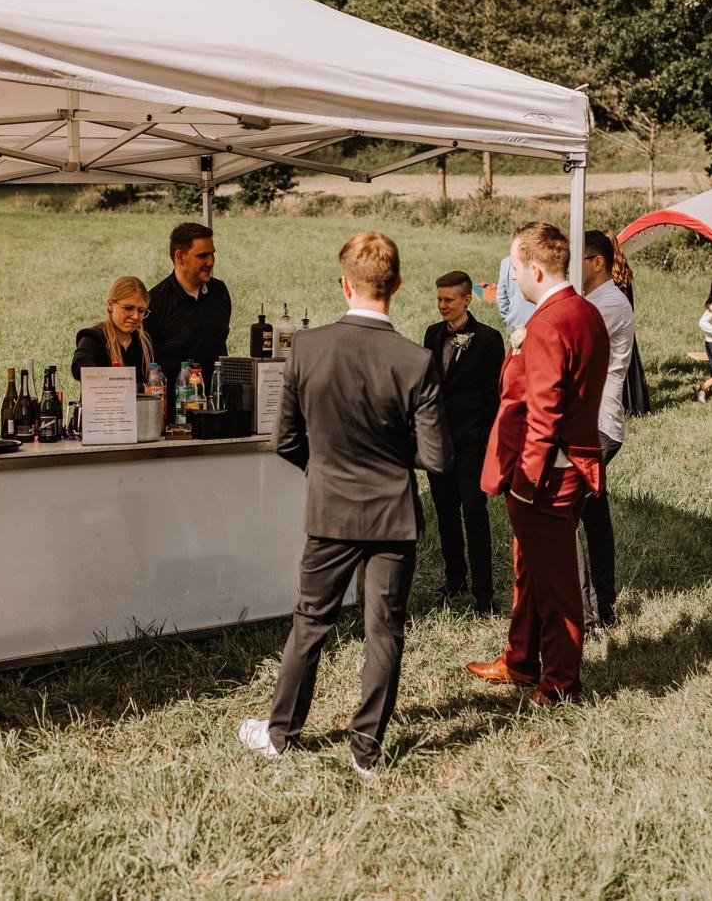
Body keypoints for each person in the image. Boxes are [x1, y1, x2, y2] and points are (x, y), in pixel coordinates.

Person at [239, 231, 451, 779]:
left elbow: (285, 441)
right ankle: (366, 750)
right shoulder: (416, 360)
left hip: (330, 510)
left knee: (311, 621)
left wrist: (326, 469)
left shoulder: (307, 348)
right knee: (385, 631)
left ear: (344, 284)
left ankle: (281, 735)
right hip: (392, 516)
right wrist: (391, 455)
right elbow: (437, 457)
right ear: (397, 285)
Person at [466, 222, 608, 706]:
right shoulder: (584, 311)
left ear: (535, 269)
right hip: (568, 464)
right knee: (529, 570)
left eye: (514, 268)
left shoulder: (549, 322)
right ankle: (522, 658)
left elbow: (544, 413)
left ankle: (562, 683)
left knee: (557, 584)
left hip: (545, 475)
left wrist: (525, 483)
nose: (510, 278)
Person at [422, 271, 505, 612]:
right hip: (437, 441)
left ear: (467, 300)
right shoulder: (432, 334)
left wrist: (484, 442)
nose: (442, 305)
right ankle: (454, 578)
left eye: (448, 300)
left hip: (471, 442)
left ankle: (483, 593)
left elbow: (494, 397)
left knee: (474, 514)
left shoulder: (488, 339)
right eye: (439, 299)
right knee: (445, 514)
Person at [578, 230, 634, 635]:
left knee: (563, 516)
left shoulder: (609, 304)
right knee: (595, 517)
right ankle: (605, 608)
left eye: (576, 260)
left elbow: (571, 350)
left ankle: (585, 616)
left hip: (597, 425)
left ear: (597, 262)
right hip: (591, 422)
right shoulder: (593, 301)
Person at [145, 222, 231, 395]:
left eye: (212, 254)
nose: (211, 262)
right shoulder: (155, 302)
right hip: (175, 405)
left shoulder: (220, 292)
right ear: (180, 257)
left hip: (217, 401)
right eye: (202, 255)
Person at [71, 276, 155, 387]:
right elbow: (79, 366)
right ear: (110, 305)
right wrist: (114, 382)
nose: (135, 316)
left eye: (141, 310)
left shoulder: (144, 342)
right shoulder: (93, 337)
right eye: (128, 308)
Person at [610, 233, 650, 417]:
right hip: (626, 323)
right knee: (628, 365)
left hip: (613, 324)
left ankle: (621, 405)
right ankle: (633, 405)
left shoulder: (606, 273)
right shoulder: (624, 270)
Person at [492, 251, 536, 329]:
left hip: (514, 323)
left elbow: (501, 297)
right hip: (538, 322)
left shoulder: (506, 262)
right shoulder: (543, 261)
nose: (514, 276)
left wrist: (509, 317)